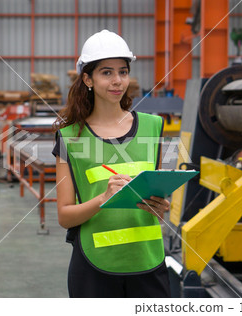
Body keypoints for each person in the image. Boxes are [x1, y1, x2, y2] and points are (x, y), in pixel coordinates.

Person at [52, 30, 171, 298]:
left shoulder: (153, 127)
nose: (117, 81)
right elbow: (64, 216)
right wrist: (104, 198)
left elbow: (157, 203)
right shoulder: (70, 138)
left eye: (123, 72)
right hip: (94, 270)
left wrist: (160, 206)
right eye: (106, 73)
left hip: (148, 264)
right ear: (87, 79)